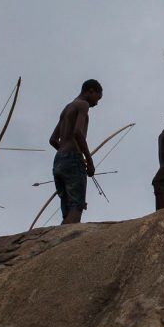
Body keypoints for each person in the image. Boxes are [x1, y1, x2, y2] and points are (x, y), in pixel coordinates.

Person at [48, 79, 103, 224]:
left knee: (67, 208)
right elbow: (77, 132)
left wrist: (65, 153)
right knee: (76, 206)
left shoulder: (67, 108)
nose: (97, 103)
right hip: (72, 159)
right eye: (98, 97)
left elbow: (53, 139)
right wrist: (89, 161)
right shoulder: (83, 105)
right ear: (91, 91)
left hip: (59, 160)